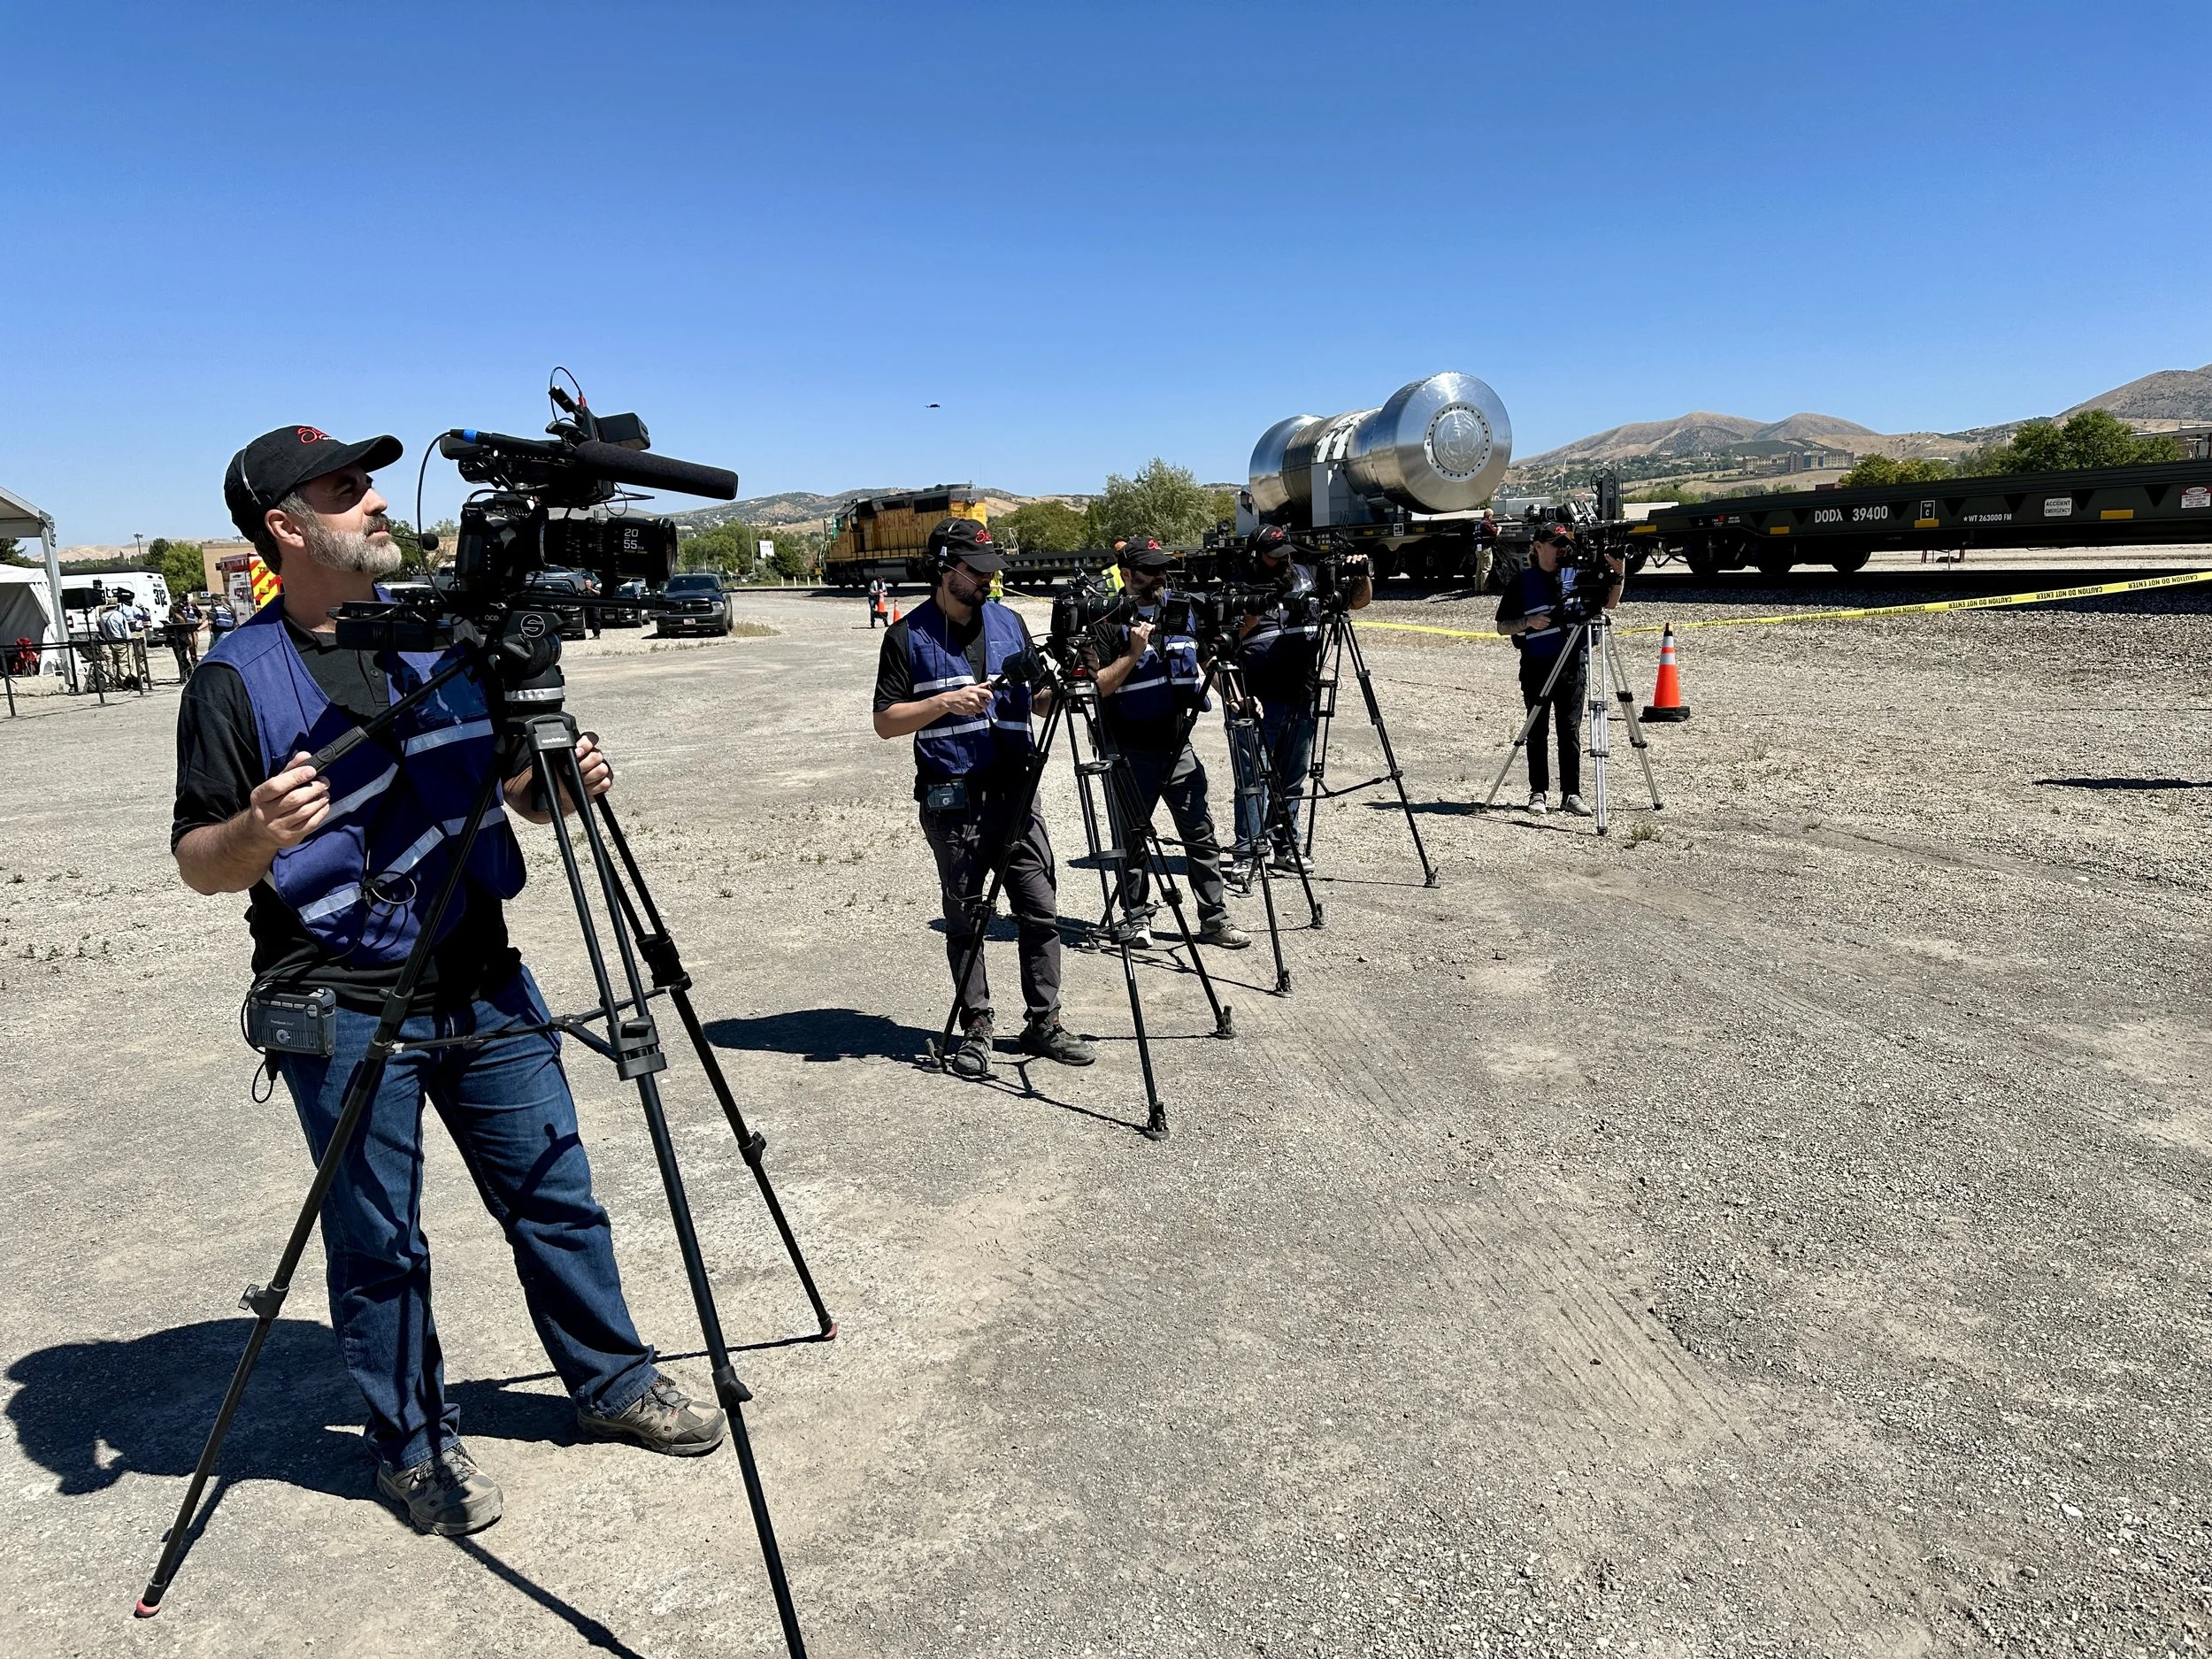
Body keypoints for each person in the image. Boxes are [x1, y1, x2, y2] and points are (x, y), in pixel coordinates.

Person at [172, 425, 723, 1540]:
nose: (374, 501)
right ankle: (413, 1450)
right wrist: (256, 832)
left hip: (485, 982)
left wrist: (561, 791)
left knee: (556, 1194)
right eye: (343, 489)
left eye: (373, 482)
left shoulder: (444, 642)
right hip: (342, 1000)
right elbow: (197, 861)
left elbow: (515, 788)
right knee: (382, 1245)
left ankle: (612, 1382)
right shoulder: (234, 680)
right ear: (286, 528)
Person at [872, 516, 1094, 1079]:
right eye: (977, 572)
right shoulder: (906, 636)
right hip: (954, 800)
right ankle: (976, 1027)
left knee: (1039, 909)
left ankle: (1043, 1021)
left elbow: (1038, 699)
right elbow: (886, 722)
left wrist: (1063, 689)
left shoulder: (1010, 621)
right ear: (946, 571)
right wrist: (946, 702)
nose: (988, 581)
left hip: (1017, 793)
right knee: (967, 914)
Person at [1089, 537, 1249, 952]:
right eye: (1149, 570)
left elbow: (1202, 659)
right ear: (1126, 575)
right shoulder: (1105, 620)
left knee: (1200, 832)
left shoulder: (1181, 609)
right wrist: (1133, 652)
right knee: (1131, 838)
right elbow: (1096, 689)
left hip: (1177, 743)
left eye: (1164, 569)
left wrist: (1232, 694)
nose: (1160, 577)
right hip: (1126, 750)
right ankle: (1136, 917)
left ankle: (1214, 919)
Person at [1228, 526, 1371, 882]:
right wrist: (1255, 610)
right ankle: (1247, 852)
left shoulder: (1306, 575)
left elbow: (1356, 601)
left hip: (1302, 695)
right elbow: (1228, 637)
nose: (1285, 560)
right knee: (1253, 781)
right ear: (1255, 556)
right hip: (1256, 699)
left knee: (1292, 780)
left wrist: (1360, 574)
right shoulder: (1240, 584)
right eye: (1275, 555)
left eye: (1287, 553)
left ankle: (1286, 847)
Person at [1494, 520, 1626, 815]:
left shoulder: (1576, 576)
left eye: (1565, 545)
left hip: (1571, 665)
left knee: (1569, 732)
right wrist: (1528, 622)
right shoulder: (1522, 582)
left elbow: (1610, 603)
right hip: (1537, 666)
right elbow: (1502, 626)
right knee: (1537, 731)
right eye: (1555, 546)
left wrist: (1619, 573)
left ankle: (1571, 794)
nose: (1561, 551)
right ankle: (1538, 792)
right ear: (1538, 547)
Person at [96, 590, 139, 689]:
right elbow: (124, 629)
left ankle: (116, 680)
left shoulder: (103, 617)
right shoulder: (119, 615)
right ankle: (126, 679)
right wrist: (128, 640)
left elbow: (103, 630)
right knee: (124, 661)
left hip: (111, 640)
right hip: (122, 640)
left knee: (115, 661)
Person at [166, 591, 204, 681]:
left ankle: (195, 671)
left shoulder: (192, 606)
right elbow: (171, 618)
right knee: (181, 654)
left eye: (185, 597)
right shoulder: (175, 607)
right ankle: (185, 673)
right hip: (181, 631)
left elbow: (199, 616)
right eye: (182, 597)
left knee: (193, 652)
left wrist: (197, 626)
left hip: (191, 630)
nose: (184, 599)